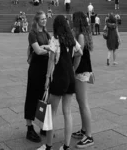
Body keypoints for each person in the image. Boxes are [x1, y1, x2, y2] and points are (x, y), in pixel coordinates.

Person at [41, 15, 82, 150]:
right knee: (67, 112)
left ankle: (48, 146)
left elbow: (51, 60)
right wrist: (73, 68)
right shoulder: (71, 39)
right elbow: (80, 52)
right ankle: (66, 145)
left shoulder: (55, 39)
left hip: (59, 78)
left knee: (52, 112)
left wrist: (47, 78)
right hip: (70, 77)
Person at [24, 11, 52, 143]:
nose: (44, 21)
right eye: (42, 19)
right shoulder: (32, 33)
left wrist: (46, 47)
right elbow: (38, 50)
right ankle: (29, 128)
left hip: (45, 69)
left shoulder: (46, 33)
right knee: (31, 97)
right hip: (35, 69)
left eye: (45, 19)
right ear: (36, 20)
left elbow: (53, 46)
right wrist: (48, 48)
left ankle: (41, 126)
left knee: (43, 98)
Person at [71, 11, 95, 148]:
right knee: (81, 103)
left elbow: (78, 56)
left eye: (73, 19)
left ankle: (89, 136)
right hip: (84, 70)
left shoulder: (80, 35)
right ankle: (84, 130)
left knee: (83, 103)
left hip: (81, 70)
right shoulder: (83, 34)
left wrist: (73, 70)